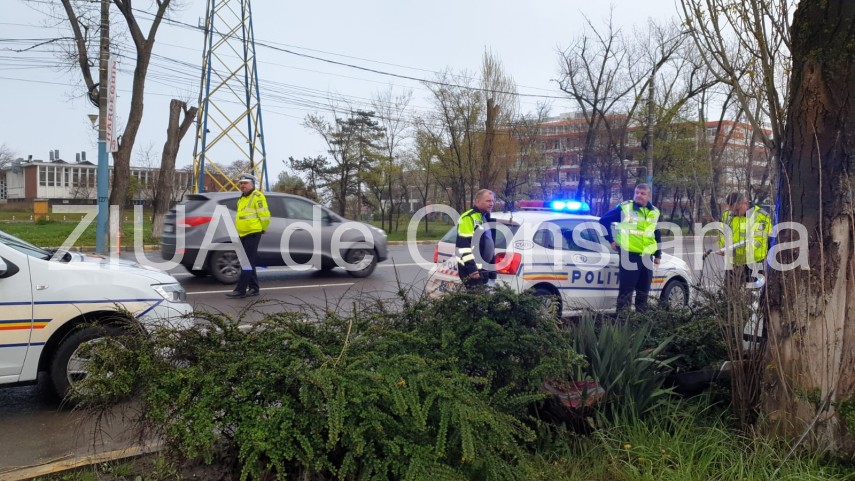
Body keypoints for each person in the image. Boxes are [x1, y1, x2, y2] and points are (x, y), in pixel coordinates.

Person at [599, 184, 662, 312]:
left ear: (649, 196)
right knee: (626, 293)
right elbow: (603, 221)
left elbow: (656, 233)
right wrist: (610, 240)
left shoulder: (655, 212)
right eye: (637, 192)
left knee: (643, 293)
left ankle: (640, 324)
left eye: (642, 193)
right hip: (629, 255)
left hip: (647, 257)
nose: (639, 195)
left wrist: (658, 255)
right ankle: (622, 325)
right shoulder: (625, 208)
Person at [226, 173, 271, 298]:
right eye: (241, 183)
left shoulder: (258, 196)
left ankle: (240, 290)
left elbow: (265, 216)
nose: (242, 185)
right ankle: (254, 288)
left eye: (245, 183)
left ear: (252, 184)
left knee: (246, 262)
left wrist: (263, 228)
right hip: (243, 233)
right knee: (248, 262)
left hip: (253, 232)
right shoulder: (242, 198)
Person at [718, 192, 772, 287]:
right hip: (733, 263)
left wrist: (734, 250)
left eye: (737, 210)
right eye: (732, 210)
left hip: (754, 264)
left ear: (745, 203)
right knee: (729, 294)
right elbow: (721, 235)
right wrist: (724, 247)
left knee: (753, 296)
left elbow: (758, 241)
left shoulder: (761, 217)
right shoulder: (727, 216)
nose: (735, 213)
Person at [456, 189, 497, 289]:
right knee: (477, 301)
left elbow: (489, 244)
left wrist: (492, 269)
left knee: (482, 301)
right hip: (473, 271)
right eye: (488, 201)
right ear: (478, 201)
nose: (491, 204)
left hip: (484, 269)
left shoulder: (486, 217)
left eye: (492, 201)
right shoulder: (468, 218)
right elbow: (464, 245)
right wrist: (472, 269)